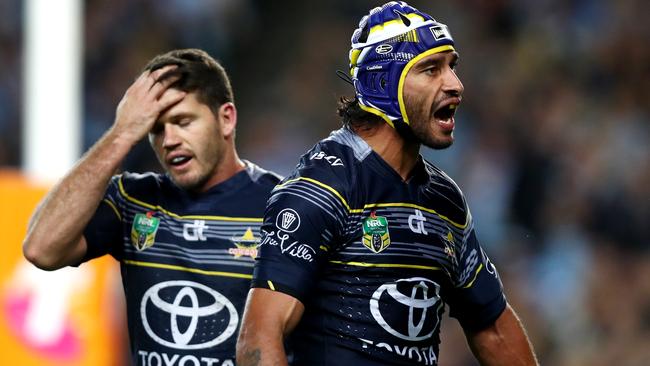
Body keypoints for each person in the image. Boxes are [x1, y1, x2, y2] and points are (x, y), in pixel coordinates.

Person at [236, 2, 538, 365]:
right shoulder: (322, 189)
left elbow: (493, 329)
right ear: (383, 84)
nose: (456, 85)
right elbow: (258, 341)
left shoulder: (445, 200)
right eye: (430, 70)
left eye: (451, 67)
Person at [23, 48, 281, 366]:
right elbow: (41, 249)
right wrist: (121, 133)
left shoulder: (282, 207)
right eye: (156, 129)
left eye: (183, 121)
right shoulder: (133, 201)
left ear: (226, 119)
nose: (169, 139)